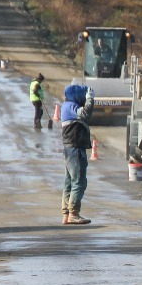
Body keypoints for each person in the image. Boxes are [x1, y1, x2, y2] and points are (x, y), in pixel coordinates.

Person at [60, 84, 95, 225]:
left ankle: (67, 214)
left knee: (69, 182)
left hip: (71, 148)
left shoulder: (66, 105)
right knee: (78, 181)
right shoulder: (70, 106)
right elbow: (85, 113)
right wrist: (90, 99)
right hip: (75, 148)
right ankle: (73, 213)